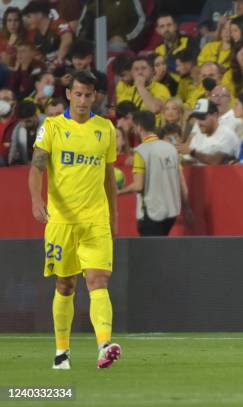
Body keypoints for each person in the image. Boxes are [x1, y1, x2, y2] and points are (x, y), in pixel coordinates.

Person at [28, 70, 121, 370]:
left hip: (95, 220)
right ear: (68, 94)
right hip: (62, 221)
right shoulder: (52, 127)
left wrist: (114, 215)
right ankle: (61, 352)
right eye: (77, 94)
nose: (82, 100)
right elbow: (37, 168)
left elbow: (109, 178)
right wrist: (35, 198)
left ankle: (104, 345)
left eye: (88, 94)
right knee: (65, 285)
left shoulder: (105, 129)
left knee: (98, 280)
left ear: (95, 96)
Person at [119, 110, 190, 236]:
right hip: (171, 213)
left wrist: (118, 192)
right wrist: (187, 208)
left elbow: (138, 186)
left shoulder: (140, 152)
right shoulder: (171, 149)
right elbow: (181, 182)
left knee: (151, 254)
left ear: (139, 127)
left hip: (151, 214)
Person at [178, 98, 239, 164]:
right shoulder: (198, 135)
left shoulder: (226, 135)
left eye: (202, 118)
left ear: (215, 115)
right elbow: (191, 161)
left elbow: (216, 161)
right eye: (197, 118)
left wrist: (192, 152)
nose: (199, 123)